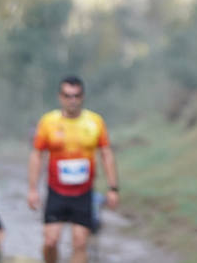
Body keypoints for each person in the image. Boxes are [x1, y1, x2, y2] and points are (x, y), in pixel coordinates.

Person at [27, 76, 120, 263]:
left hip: (83, 193)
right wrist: (32, 189)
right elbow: (37, 155)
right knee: (51, 241)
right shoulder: (48, 122)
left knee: (79, 243)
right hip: (56, 191)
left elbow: (106, 154)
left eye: (76, 96)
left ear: (82, 97)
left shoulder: (95, 122)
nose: (72, 100)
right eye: (68, 96)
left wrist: (113, 188)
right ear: (60, 97)